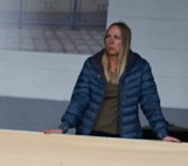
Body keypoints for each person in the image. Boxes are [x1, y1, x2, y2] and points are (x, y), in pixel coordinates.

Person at [43, 22, 179, 142]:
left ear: (125, 41)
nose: (110, 41)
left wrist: (162, 134)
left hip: (125, 137)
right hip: (91, 134)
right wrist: (64, 127)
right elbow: (80, 98)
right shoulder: (92, 64)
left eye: (116, 37)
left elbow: (150, 103)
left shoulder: (140, 67)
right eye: (108, 37)